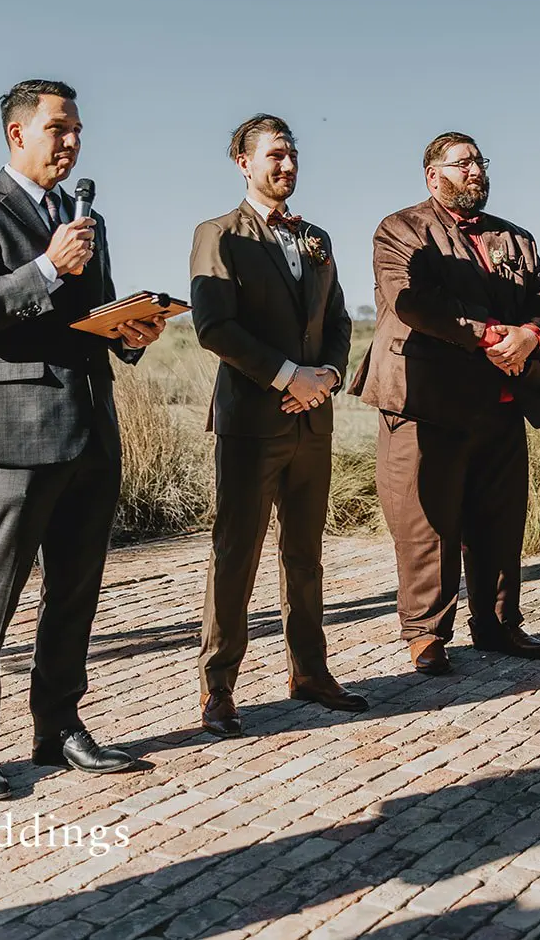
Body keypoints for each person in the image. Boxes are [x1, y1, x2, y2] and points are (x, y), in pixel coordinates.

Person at [0, 79, 166, 799]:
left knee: (76, 589)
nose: (71, 142)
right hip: (16, 429)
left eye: (77, 130)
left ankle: (58, 724)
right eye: (58, 129)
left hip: (93, 423)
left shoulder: (83, 218)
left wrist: (133, 331)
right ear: (17, 134)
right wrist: (44, 267)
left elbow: (93, 315)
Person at [349, 132, 540, 675]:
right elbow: (414, 302)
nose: (475, 172)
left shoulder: (516, 237)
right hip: (426, 399)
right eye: (462, 163)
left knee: (500, 518)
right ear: (432, 175)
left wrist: (531, 336)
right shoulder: (400, 230)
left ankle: (498, 623)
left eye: (480, 162)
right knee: (426, 521)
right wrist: (493, 335)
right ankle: (425, 633)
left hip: (501, 398)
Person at [188, 114, 366, 738]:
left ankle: (310, 671)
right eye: (274, 156)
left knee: (305, 554)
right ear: (243, 161)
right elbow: (214, 326)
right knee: (235, 555)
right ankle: (219, 688)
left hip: (313, 422)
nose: (286, 165)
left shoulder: (317, 237)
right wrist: (289, 375)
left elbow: (340, 322)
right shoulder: (218, 234)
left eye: (292, 155)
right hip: (250, 422)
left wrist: (330, 376)